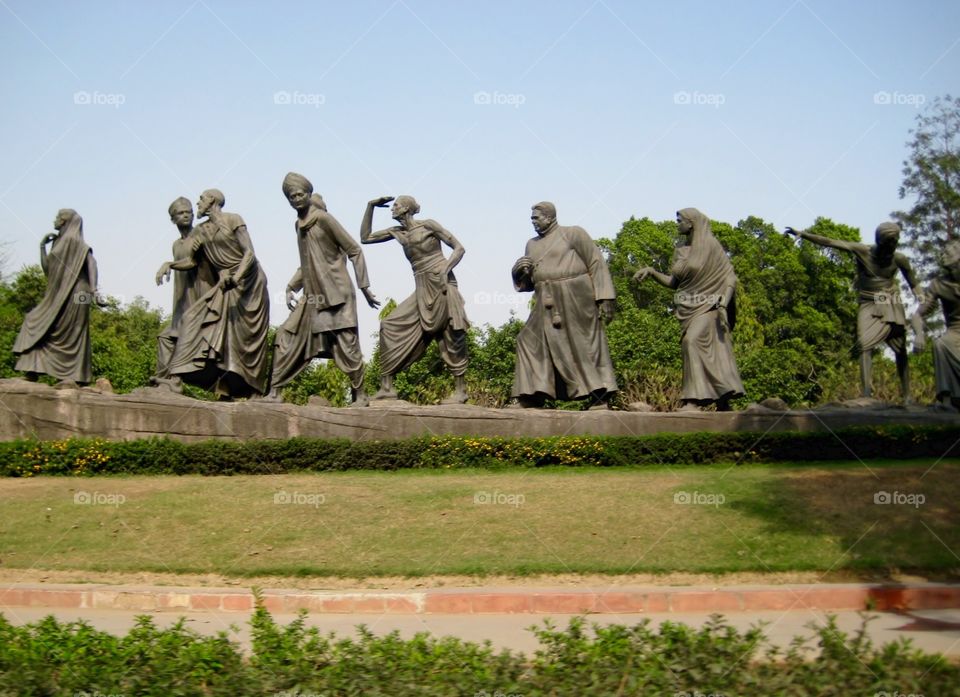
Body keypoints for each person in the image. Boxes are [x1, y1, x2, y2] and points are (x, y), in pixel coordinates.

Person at [267, 172, 380, 405]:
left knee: (347, 346)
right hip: (313, 297)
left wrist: (364, 286)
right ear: (288, 200)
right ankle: (274, 392)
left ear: (308, 195)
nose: (297, 198)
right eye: (292, 196)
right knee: (285, 336)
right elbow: (307, 262)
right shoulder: (298, 226)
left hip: (337, 294)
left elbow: (355, 250)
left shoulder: (324, 219)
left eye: (300, 194)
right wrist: (291, 286)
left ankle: (361, 395)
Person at [785, 221, 920, 403]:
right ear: (880, 241)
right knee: (864, 344)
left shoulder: (900, 259)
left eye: (894, 243)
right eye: (888, 243)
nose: (892, 247)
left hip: (890, 302)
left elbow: (914, 285)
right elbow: (831, 242)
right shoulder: (862, 250)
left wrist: (925, 299)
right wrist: (803, 234)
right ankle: (866, 395)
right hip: (868, 301)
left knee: (899, 348)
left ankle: (908, 395)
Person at [161, 189, 270, 399]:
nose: (198, 204)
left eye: (201, 199)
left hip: (249, 282)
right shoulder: (201, 231)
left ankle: (251, 389)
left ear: (212, 200)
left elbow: (249, 253)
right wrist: (170, 264)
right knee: (195, 320)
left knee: (247, 339)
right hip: (227, 284)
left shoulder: (233, 219)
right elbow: (192, 261)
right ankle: (179, 378)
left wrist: (237, 277)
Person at [360, 194, 469, 404]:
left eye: (397, 205)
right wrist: (370, 206)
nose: (393, 208)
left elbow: (459, 248)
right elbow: (365, 237)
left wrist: (446, 269)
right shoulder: (397, 232)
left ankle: (461, 391)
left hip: (441, 281)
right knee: (389, 324)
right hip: (421, 284)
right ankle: (387, 387)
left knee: (449, 333)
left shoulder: (428, 225)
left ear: (407, 209)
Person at [634, 208, 744, 411]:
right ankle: (722, 399)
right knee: (708, 349)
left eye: (679, 220)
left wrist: (723, 302)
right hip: (688, 307)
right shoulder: (681, 251)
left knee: (690, 341)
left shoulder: (711, 246)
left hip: (710, 304)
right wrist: (651, 271)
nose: (677, 224)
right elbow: (673, 282)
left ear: (691, 223)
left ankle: (693, 399)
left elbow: (730, 277)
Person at [511, 201, 618, 409]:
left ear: (550, 217)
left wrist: (605, 297)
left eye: (536, 217)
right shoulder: (531, 244)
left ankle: (599, 395)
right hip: (546, 299)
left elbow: (596, 262)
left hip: (577, 296)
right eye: (531, 218)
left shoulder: (573, 233)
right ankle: (533, 394)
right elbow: (529, 283)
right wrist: (517, 271)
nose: (533, 221)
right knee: (527, 340)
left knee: (583, 344)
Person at [13, 209, 104, 387]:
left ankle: (71, 375)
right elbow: (49, 270)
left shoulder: (73, 241)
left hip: (78, 293)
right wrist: (42, 247)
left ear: (64, 221)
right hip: (59, 293)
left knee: (72, 333)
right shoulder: (58, 242)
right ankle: (32, 371)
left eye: (57, 218)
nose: (54, 220)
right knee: (39, 322)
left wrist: (94, 291)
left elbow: (91, 263)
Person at [151, 197, 214, 392]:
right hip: (181, 300)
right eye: (180, 213)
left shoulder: (200, 234)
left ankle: (175, 382)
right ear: (173, 219)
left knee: (185, 336)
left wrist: (168, 264)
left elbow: (192, 262)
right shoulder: (176, 245)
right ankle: (163, 380)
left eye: (188, 211)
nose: (185, 215)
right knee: (166, 337)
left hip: (200, 295)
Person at [912, 239, 960, 411]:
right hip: (955, 333)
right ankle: (947, 401)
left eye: (948, 252)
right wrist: (919, 334)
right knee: (941, 343)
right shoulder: (938, 284)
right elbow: (918, 314)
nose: (942, 254)